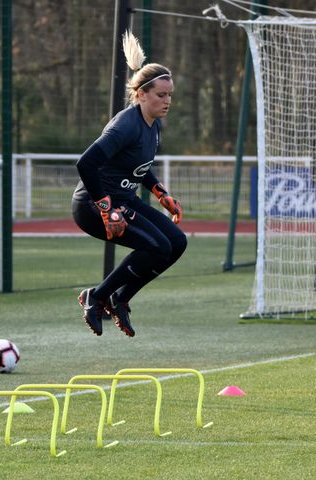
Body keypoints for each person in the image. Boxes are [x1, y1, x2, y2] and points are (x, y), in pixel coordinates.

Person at [71, 31, 186, 337]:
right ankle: (95, 296)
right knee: (157, 245)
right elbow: (86, 163)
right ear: (141, 94)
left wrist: (161, 193)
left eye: (170, 95)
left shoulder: (154, 126)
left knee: (177, 244)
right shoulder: (126, 124)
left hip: (124, 199)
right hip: (93, 205)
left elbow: (140, 167)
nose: (167, 101)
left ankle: (119, 299)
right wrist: (107, 210)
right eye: (161, 95)